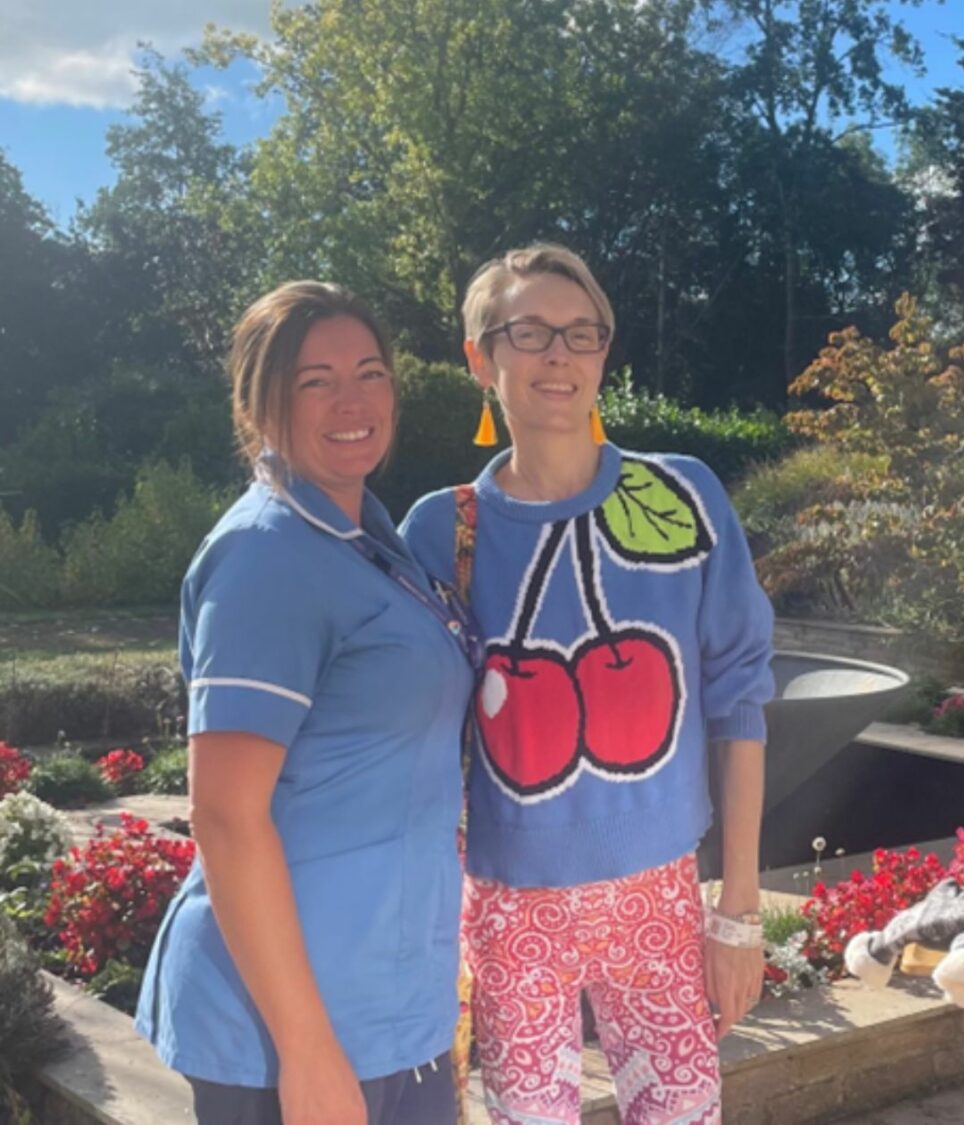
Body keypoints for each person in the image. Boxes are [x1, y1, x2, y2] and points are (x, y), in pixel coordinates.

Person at [401, 244, 773, 1125]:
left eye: (581, 334)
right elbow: (406, 734)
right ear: (479, 357)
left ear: (605, 354)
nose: (558, 355)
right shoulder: (441, 530)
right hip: (508, 904)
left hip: (660, 895)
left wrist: (740, 915)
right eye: (528, 332)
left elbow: (740, 699)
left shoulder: (681, 498)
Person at [137, 282, 479, 1124]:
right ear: (262, 404)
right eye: (315, 381)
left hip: (392, 1012)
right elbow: (224, 815)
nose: (353, 400)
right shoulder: (266, 559)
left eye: (370, 372)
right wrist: (308, 1049)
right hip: (290, 1032)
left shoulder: (371, 541)